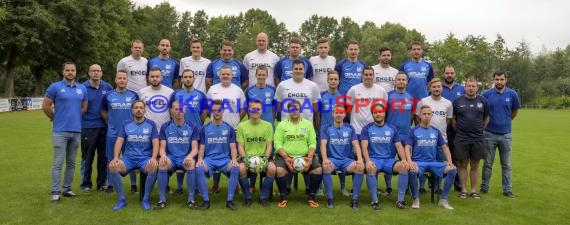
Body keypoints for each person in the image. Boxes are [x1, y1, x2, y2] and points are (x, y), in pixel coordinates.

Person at [43, 62, 88, 202]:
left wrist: (73, 117)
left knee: (72, 162)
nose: (70, 72)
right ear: (63, 72)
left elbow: (84, 107)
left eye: (72, 70)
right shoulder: (55, 87)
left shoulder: (81, 88)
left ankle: (67, 189)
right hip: (60, 131)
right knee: (58, 162)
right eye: (67, 70)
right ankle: (55, 191)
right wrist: (54, 118)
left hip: (76, 131)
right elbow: (46, 105)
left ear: (76, 72)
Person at [108, 100, 159, 210]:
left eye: (141, 108)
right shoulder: (126, 124)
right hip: (128, 159)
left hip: (145, 158)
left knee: (153, 166)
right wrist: (116, 158)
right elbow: (119, 141)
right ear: (132, 110)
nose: (139, 110)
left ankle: (145, 199)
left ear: (145, 110)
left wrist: (154, 158)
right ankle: (122, 200)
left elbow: (155, 142)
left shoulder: (151, 124)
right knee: (112, 166)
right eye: (136, 108)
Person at [406, 104, 457, 210]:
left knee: (452, 169)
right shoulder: (413, 130)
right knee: (412, 171)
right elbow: (407, 147)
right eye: (424, 114)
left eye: (429, 114)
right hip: (418, 162)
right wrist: (410, 161)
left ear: (431, 115)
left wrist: (449, 161)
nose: (426, 116)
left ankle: (443, 200)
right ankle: (416, 199)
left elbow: (444, 147)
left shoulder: (435, 131)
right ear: (420, 115)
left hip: (433, 162)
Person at [361, 103, 410, 209]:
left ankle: (400, 200)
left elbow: (398, 146)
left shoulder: (392, 128)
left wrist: (404, 159)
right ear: (372, 114)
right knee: (371, 168)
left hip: (388, 160)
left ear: (384, 113)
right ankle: (375, 201)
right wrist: (368, 161)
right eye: (375, 112)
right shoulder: (366, 128)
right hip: (374, 159)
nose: (378, 114)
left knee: (404, 167)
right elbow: (364, 147)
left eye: (380, 112)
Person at [273, 101, 322, 208]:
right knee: (279, 170)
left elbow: (312, 142)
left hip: (305, 156)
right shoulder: (281, 125)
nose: (294, 111)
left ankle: (311, 197)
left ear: (300, 110)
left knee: (318, 169)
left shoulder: (308, 124)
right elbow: (277, 143)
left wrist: (309, 158)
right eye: (292, 109)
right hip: (286, 156)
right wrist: (286, 158)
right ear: (288, 111)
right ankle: (283, 197)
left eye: (296, 109)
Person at [154, 101, 201, 210]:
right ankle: (162, 200)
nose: (179, 112)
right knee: (162, 164)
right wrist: (163, 156)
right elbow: (162, 148)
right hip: (172, 158)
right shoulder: (165, 126)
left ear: (184, 111)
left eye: (181, 109)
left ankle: (191, 200)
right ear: (171, 111)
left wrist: (189, 157)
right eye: (176, 109)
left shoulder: (192, 127)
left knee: (191, 164)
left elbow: (195, 149)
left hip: (186, 157)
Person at [195, 99, 241, 210]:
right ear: (211, 111)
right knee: (199, 168)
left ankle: (229, 201)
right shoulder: (204, 129)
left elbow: (233, 147)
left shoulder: (229, 128)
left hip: (224, 160)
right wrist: (200, 159)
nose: (217, 112)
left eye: (219, 110)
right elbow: (202, 147)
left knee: (235, 168)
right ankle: (206, 201)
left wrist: (234, 159)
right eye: (214, 110)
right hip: (209, 160)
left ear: (223, 111)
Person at [481, 71, 520, 198]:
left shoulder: (512, 94)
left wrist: (504, 122)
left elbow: (514, 112)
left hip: (506, 135)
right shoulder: (486, 94)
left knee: (506, 165)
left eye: (501, 79)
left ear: (506, 80)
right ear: (493, 80)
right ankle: (484, 187)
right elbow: (482, 112)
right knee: (487, 164)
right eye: (497, 79)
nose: (499, 82)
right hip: (489, 134)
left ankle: (507, 189)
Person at [101, 70, 139, 193]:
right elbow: (103, 111)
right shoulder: (108, 95)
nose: (122, 80)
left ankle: (133, 184)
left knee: (132, 158)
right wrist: (110, 123)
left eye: (124, 78)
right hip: (113, 133)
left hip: (130, 134)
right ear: (115, 80)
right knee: (111, 158)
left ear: (127, 80)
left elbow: (138, 111)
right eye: (119, 78)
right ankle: (111, 184)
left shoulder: (134, 95)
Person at [452, 77, 489, 199]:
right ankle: (463, 189)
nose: (471, 88)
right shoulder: (457, 101)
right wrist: (460, 131)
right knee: (462, 165)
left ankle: (473, 190)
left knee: (475, 165)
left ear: (477, 88)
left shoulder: (483, 101)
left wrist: (480, 129)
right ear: (465, 87)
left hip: (478, 138)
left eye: (473, 86)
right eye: (469, 86)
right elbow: (453, 119)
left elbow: (486, 118)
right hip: (461, 138)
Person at [320, 105, 364, 209]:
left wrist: (360, 160)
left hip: (347, 161)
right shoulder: (326, 128)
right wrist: (325, 159)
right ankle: (330, 199)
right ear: (332, 114)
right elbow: (323, 144)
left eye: (341, 113)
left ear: (344, 114)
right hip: (332, 160)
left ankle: (354, 200)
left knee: (359, 167)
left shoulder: (350, 128)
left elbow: (356, 144)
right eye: (336, 112)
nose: (339, 115)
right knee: (326, 167)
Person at [414, 78, 453, 192]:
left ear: (442, 88)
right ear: (429, 88)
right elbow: (417, 117)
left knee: (439, 164)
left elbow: (448, 120)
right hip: (424, 139)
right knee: (422, 162)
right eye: (434, 87)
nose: (436, 89)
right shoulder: (423, 101)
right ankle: (421, 186)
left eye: (438, 86)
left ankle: (437, 187)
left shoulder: (448, 103)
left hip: (441, 139)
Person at [80, 64, 113, 192]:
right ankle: (86, 183)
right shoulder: (83, 88)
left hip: (105, 127)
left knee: (103, 157)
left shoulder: (108, 87)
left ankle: (101, 183)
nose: (96, 73)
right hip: (88, 126)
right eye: (93, 71)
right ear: (89, 73)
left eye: (98, 71)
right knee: (87, 156)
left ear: (101, 73)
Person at [236, 100, 275, 206]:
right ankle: (248, 197)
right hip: (247, 157)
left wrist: (265, 159)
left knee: (272, 168)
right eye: (253, 108)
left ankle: (264, 197)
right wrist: (245, 159)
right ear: (248, 110)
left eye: (258, 109)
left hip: (263, 157)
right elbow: (240, 146)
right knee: (241, 169)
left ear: (262, 111)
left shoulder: (268, 126)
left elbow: (269, 146)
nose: (255, 111)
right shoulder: (241, 126)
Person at [316, 70, 348, 196]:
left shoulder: (342, 97)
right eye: (331, 79)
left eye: (336, 79)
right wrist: (319, 129)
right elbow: (317, 115)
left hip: (339, 133)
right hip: (324, 134)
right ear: (327, 81)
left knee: (342, 158)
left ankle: (343, 187)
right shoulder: (321, 95)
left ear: (339, 81)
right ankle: (319, 188)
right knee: (321, 159)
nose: (333, 81)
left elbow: (346, 115)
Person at [385, 71, 415, 195]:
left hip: (406, 135)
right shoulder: (388, 96)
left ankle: (406, 187)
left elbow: (412, 116)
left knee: (407, 161)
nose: (401, 81)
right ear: (395, 81)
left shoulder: (411, 97)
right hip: (391, 135)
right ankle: (388, 188)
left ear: (407, 82)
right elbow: (384, 115)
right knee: (388, 160)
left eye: (404, 79)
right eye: (399, 79)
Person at [441, 65, 464, 191]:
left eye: (452, 73)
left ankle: (457, 182)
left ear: (455, 74)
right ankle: (436, 180)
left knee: (456, 156)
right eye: (447, 73)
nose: (449, 75)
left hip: (456, 128)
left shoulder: (461, 88)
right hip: (442, 127)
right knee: (439, 155)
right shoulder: (439, 87)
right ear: (444, 74)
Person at [347, 66, 388, 138]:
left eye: (370, 75)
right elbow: (348, 109)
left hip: (374, 131)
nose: (368, 77)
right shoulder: (353, 89)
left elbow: (384, 110)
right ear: (362, 76)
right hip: (357, 130)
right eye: (366, 75)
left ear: (373, 76)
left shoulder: (381, 91)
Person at [138, 67, 175, 131]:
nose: (155, 79)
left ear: (162, 77)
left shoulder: (170, 92)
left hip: (165, 129)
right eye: (152, 77)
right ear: (148, 78)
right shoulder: (142, 92)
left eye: (157, 76)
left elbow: (173, 111)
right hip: (147, 128)